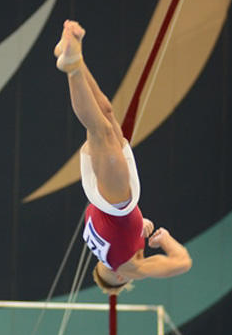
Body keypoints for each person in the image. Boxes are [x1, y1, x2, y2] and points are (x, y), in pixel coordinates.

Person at [54, 20, 192, 293]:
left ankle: (71, 67)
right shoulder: (99, 248)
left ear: (118, 279)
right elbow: (121, 234)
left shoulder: (126, 268)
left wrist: (164, 239)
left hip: (114, 201)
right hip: (105, 197)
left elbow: (182, 262)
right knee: (105, 110)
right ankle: (75, 57)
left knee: (99, 129)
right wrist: (141, 225)